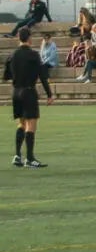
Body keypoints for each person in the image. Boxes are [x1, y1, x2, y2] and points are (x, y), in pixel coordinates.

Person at [4, 28, 54, 167]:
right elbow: (43, 76)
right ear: (29, 38)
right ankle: (30, 158)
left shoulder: (12, 55)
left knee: (21, 123)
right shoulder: (33, 55)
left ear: (18, 38)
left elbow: (6, 75)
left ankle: (17, 155)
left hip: (16, 92)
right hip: (28, 91)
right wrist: (49, 94)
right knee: (31, 125)